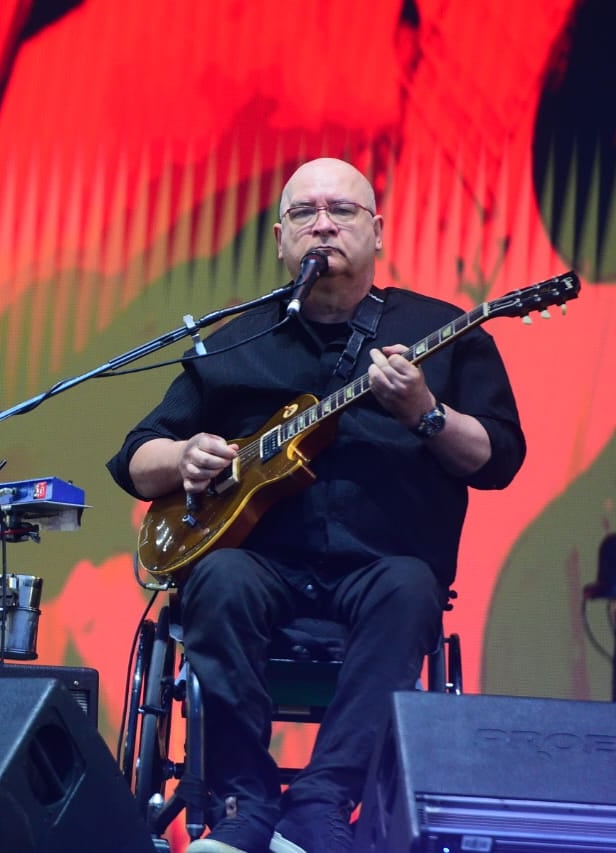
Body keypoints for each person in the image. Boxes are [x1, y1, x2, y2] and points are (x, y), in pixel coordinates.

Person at [107, 158, 526, 853]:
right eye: (304, 212)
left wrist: (425, 411)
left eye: (343, 210)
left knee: (410, 587)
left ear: (377, 232)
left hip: (381, 569)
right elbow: (135, 458)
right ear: (279, 238)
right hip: (261, 569)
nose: (323, 223)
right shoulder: (238, 340)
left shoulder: (445, 331)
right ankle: (244, 800)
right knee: (217, 578)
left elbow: (499, 458)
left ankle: (322, 802)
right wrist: (184, 458)